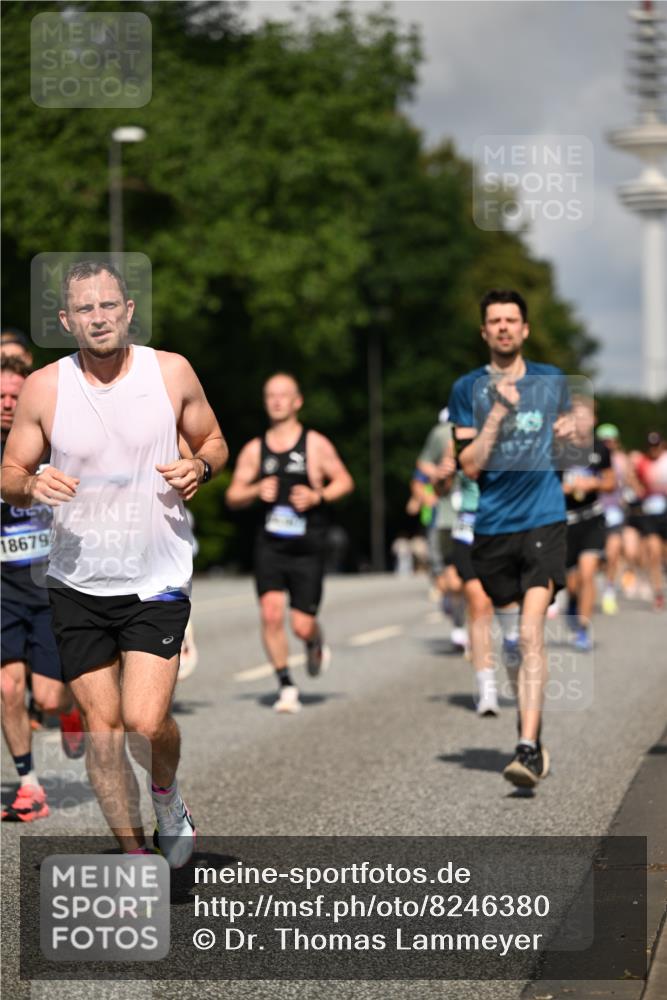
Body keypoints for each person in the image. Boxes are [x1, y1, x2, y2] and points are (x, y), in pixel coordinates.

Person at [1, 260, 227, 864]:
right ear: (66, 320)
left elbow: (214, 440)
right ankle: (134, 858)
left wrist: (199, 467)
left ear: (128, 310)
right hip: (77, 580)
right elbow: (10, 474)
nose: (98, 317)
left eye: (108, 305)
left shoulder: (171, 371)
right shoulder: (46, 387)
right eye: (85, 308)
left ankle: (168, 797)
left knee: (144, 724)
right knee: (102, 736)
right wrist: (31, 486)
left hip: (154, 578)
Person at [448, 289, 574, 790]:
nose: (503, 327)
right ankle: (535, 735)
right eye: (494, 321)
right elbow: (470, 465)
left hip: (543, 518)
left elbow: (572, 446)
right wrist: (499, 413)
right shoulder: (466, 389)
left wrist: (570, 431)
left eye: (512, 320)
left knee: (529, 632)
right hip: (493, 526)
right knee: (514, 644)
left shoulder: (553, 381)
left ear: (524, 329)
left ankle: (525, 746)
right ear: (484, 332)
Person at [226, 373, 354, 714]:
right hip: (270, 545)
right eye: (271, 395)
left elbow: (344, 481)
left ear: (297, 401)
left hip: (308, 545)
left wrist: (317, 495)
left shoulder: (314, 444)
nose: (277, 401)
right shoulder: (256, 449)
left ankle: (314, 639)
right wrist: (255, 491)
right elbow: (233, 494)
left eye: (284, 395)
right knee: (270, 614)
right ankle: (285, 683)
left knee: (300, 624)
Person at [1, 355, 84, 822]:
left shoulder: (54, 440)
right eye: (2, 397)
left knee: (48, 698)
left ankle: (70, 708)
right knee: (8, 687)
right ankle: (29, 784)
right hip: (4, 588)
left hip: (51, 585)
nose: (9, 405)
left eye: (16, 396)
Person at [562, 398, 615, 651]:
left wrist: (592, 483)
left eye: (586, 417)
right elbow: (548, 485)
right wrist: (568, 488)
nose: (581, 423)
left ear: (594, 421)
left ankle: (583, 629)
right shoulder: (559, 449)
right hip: (567, 522)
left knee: (588, 572)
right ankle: (572, 603)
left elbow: (610, 482)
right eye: (577, 417)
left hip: (593, 518)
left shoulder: (601, 449)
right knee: (572, 582)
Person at [633, 431, 667, 611]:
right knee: (654, 553)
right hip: (650, 514)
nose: (654, 450)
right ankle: (658, 593)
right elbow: (634, 482)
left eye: (657, 446)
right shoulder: (642, 463)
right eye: (651, 446)